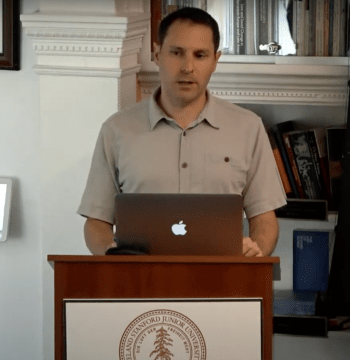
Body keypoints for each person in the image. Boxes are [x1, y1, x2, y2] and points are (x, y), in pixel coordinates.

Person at [77, 7, 287, 256]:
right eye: (177, 53)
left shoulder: (248, 127)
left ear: (215, 61)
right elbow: (96, 221)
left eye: (200, 55)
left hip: (223, 282)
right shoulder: (117, 129)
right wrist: (112, 257)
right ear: (157, 53)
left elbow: (264, 218)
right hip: (140, 283)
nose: (187, 67)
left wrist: (255, 254)